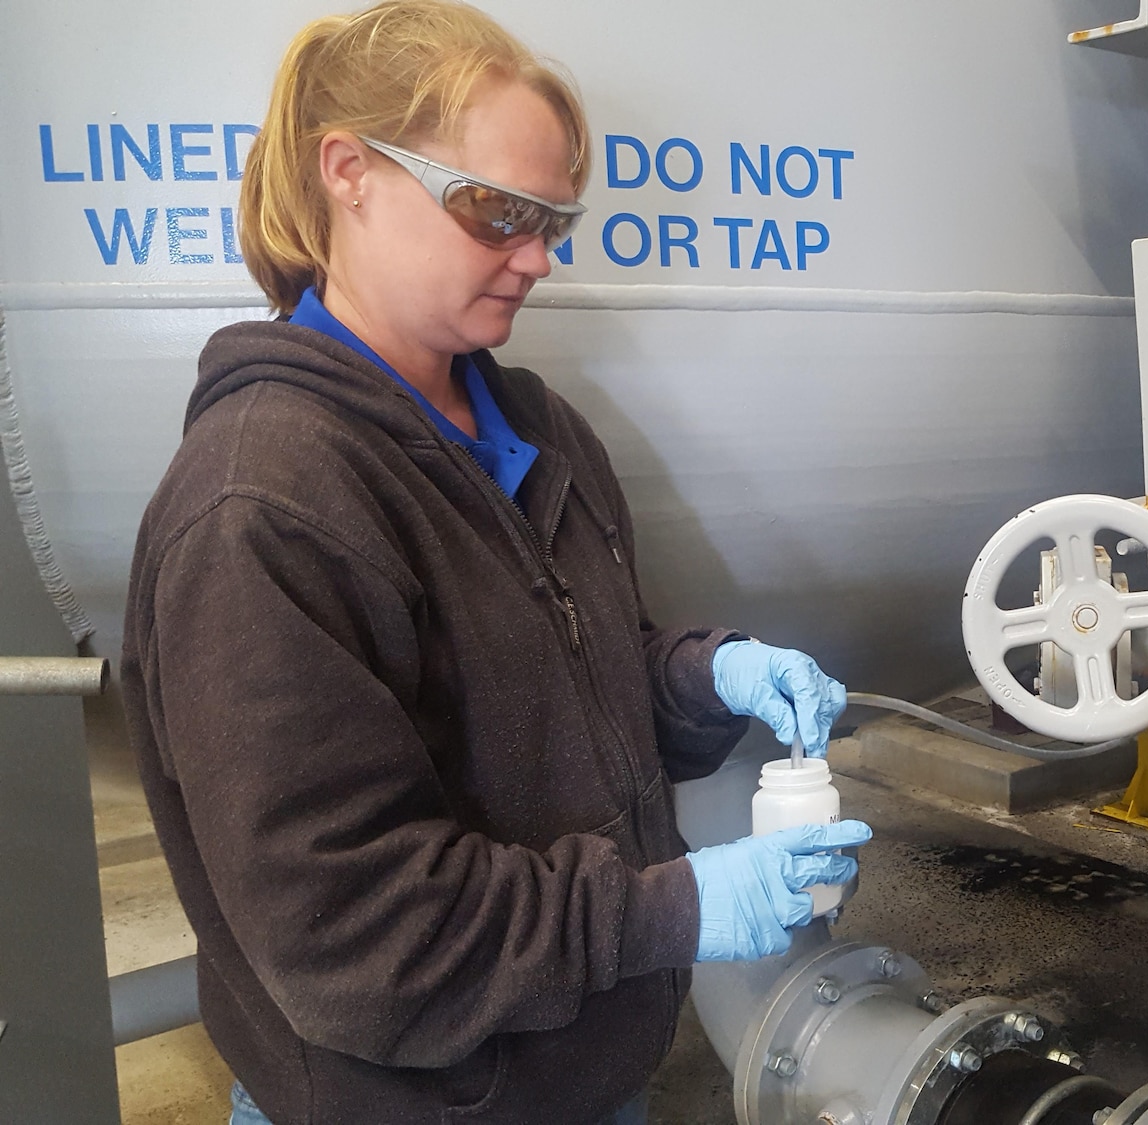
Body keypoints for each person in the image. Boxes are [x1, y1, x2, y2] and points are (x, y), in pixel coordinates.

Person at [119, 4, 869, 1122]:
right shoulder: (261, 508)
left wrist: (697, 676)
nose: (541, 257)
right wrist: (673, 914)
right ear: (349, 173)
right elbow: (356, 939)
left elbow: (564, 676)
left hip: (582, 1073)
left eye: (555, 217)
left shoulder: (531, 423)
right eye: (498, 212)